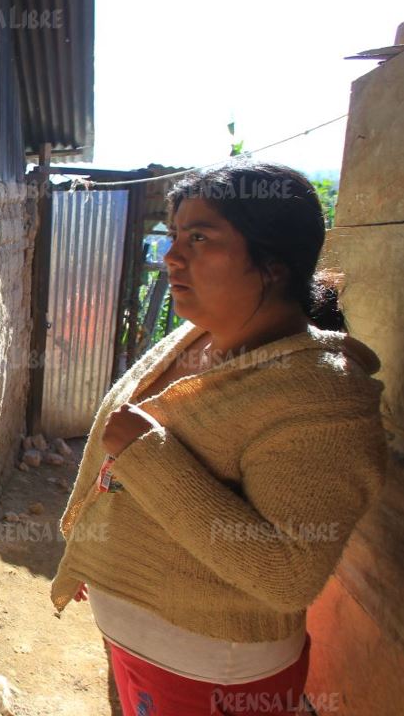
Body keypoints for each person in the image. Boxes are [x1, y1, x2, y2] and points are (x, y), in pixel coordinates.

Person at [49, 161, 387, 715]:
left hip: (214, 674)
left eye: (200, 238)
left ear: (273, 262)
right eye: (174, 235)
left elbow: (288, 574)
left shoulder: (324, 399)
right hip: (142, 643)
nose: (171, 257)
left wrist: (146, 455)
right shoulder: (196, 333)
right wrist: (101, 551)